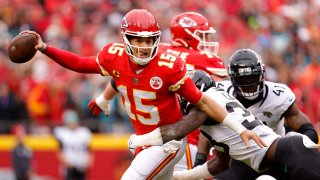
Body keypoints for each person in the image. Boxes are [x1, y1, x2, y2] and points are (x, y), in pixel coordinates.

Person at [21, 9, 264, 179]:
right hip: (144, 139)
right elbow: (81, 64)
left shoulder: (169, 65)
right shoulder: (113, 56)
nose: (145, 46)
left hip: (168, 141)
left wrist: (240, 128)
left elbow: (204, 101)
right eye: (138, 40)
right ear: (125, 39)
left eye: (150, 41)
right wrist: (45, 48)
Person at [88, 11, 228, 171]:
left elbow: (120, 77)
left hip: (152, 137)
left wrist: (103, 99)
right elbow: (221, 97)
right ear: (188, 36)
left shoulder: (156, 50)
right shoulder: (205, 59)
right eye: (204, 36)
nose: (208, 41)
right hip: (187, 138)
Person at [128, 70, 320, 180]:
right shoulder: (215, 104)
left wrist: (139, 140)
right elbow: (220, 163)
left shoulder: (204, 107)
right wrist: (181, 177)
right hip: (275, 161)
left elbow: (178, 131)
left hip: (288, 154)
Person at [203, 48, 319, 179]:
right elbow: (209, 131)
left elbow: (306, 127)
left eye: (252, 77)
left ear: (263, 74)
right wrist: (199, 159)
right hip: (240, 160)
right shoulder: (221, 94)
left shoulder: (278, 95)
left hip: (276, 158)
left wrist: (301, 150)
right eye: (243, 79)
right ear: (232, 80)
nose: (249, 84)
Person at [53, 109, 93, 180]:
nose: (73, 124)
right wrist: (66, 162)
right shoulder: (62, 133)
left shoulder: (83, 132)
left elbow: (88, 149)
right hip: (69, 166)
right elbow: (60, 150)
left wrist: (89, 161)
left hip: (81, 165)